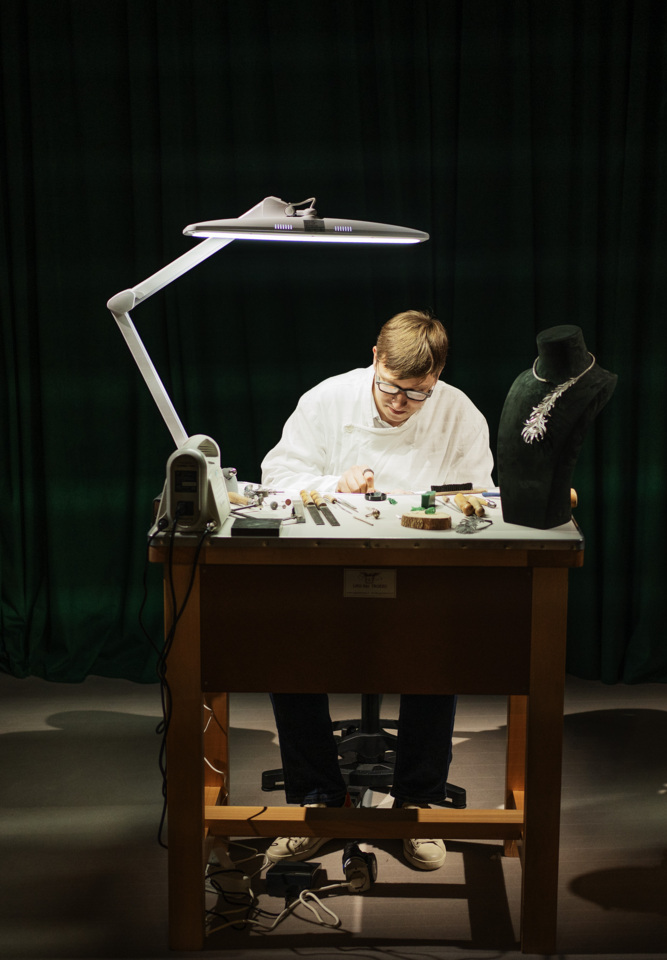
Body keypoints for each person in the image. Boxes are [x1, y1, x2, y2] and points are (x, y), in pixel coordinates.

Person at [260, 309, 494, 871]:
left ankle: (418, 802)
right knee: (286, 654)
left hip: (421, 574)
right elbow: (276, 479)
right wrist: (333, 484)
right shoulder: (327, 401)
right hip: (326, 570)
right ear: (375, 359)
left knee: (437, 656)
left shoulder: (459, 413)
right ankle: (319, 801)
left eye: (417, 394)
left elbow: (482, 498)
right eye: (391, 388)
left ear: (437, 378)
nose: (400, 403)